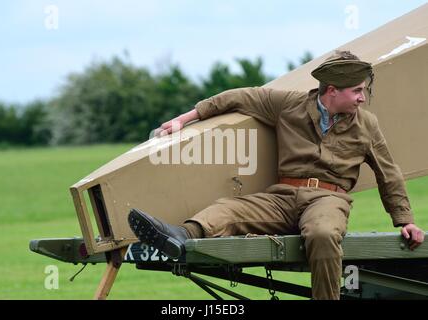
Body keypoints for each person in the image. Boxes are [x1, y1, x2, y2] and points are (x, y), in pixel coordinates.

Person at [128, 50, 425, 300]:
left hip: (328, 199)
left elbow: (389, 174)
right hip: (282, 196)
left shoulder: (367, 124)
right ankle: (178, 237)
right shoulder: (289, 105)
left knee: (323, 234)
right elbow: (239, 98)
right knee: (228, 210)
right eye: (357, 91)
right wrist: (184, 119)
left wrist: (405, 221)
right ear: (332, 90)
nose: (363, 98)